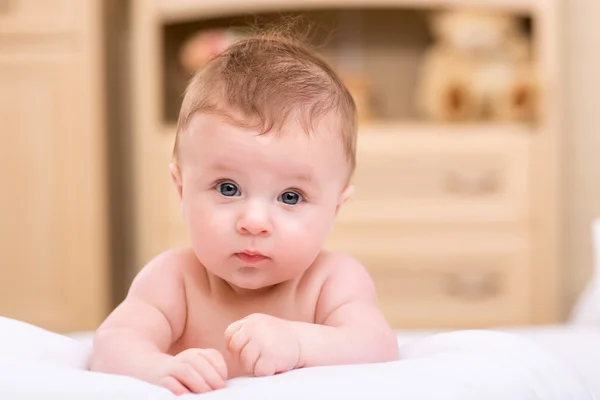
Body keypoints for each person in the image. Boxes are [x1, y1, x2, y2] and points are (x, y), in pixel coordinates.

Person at [89, 30, 399, 396]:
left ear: (336, 207)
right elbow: (112, 344)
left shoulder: (332, 281)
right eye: (228, 188)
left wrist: (298, 342)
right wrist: (159, 369)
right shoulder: (174, 280)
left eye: (291, 196)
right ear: (181, 189)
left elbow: (378, 345)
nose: (254, 222)